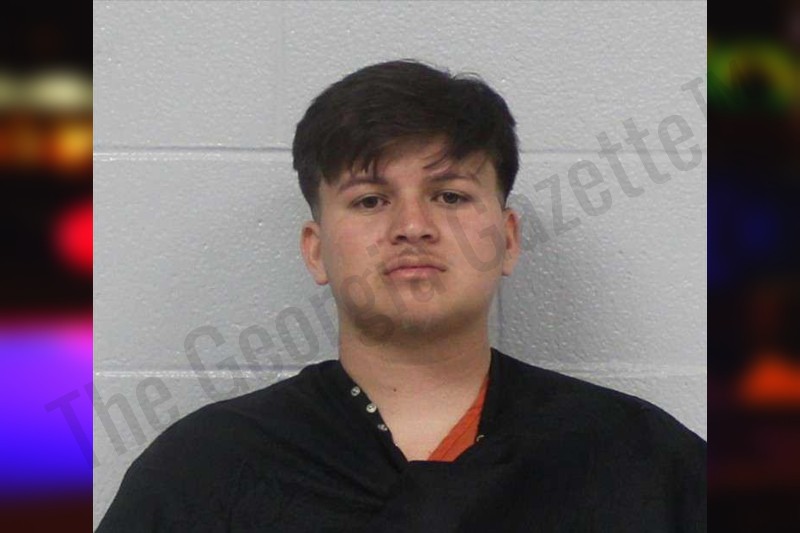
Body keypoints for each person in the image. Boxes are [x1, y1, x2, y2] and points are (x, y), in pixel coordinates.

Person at [97, 59, 706, 532]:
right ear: (316, 250)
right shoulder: (206, 471)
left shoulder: (642, 461)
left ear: (509, 239)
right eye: (370, 200)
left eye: (450, 196)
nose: (413, 226)